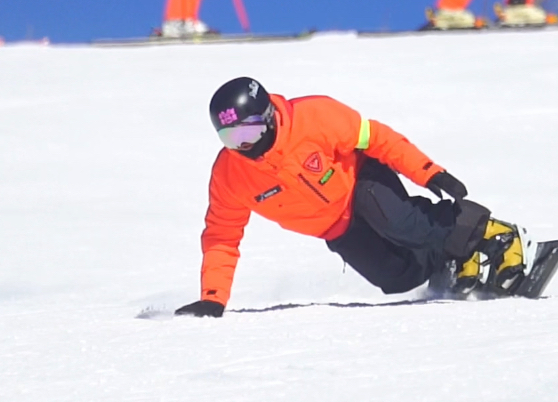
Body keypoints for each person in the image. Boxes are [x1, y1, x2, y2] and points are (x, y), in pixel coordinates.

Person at [174, 77, 525, 317]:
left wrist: (427, 171)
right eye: (231, 139)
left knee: (404, 223)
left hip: (361, 182)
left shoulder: (314, 117)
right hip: (336, 228)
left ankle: (494, 233)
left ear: (267, 117)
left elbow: (377, 138)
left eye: (248, 133)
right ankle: (451, 260)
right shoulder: (230, 175)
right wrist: (213, 298)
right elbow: (222, 237)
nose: (243, 146)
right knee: (397, 277)